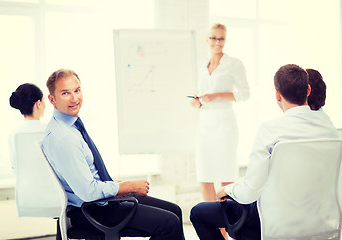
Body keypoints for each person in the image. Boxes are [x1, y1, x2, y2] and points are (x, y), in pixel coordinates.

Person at [190, 64, 338, 240]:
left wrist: (227, 189)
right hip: (318, 220)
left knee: (199, 212)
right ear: (308, 90)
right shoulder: (330, 131)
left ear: (277, 95)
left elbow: (249, 193)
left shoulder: (270, 130)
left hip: (275, 221)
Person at [41, 69, 185, 240]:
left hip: (98, 203)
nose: (74, 98)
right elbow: (88, 192)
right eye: (65, 93)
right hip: (92, 210)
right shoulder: (64, 138)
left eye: (77, 90)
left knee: (175, 210)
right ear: (52, 99)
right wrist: (128, 187)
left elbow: (86, 178)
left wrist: (117, 186)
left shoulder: (70, 126)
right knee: (169, 223)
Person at [190, 23, 250, 239]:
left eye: (221, 39)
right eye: (213, 38)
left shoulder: (234, 64)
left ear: (226, 40)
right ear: (206, 39)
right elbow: (196, 93)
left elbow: (244, 93)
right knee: (204, 176)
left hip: (225, 124)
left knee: (225, 179)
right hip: (204, 123)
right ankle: (215, 228)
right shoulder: (199, 65)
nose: (217, 42)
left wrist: (216, 96)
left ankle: (230, 229)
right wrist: (197, 102)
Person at [9, 83, 46, 170]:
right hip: (50, 183)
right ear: (38, 104)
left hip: (23, 184)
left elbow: (15, 168)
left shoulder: (13, 134)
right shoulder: (49, 131)